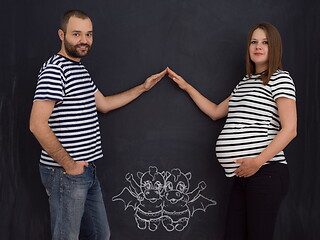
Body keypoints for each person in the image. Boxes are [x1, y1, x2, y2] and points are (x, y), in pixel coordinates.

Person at [29, 10, 167, 240]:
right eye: (77, 34)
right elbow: (36, 124)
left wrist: (143, 88)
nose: (84, 40)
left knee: (99, 235)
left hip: (87, 171)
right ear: (61, 35)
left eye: (88, 34)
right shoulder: (56, 70)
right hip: (66, 173)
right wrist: (70, 165)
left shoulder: (79, 70)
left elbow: (103, 104)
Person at [167, 22, 297, 240]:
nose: (258, 46)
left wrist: (257, 162)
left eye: (265, 42)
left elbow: (290, 129)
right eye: (254, 42)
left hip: (266, 172)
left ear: (274, 47)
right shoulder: (245, 83)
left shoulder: (280, 78)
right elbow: (216, 111)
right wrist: (187, 87)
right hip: (243, 175)